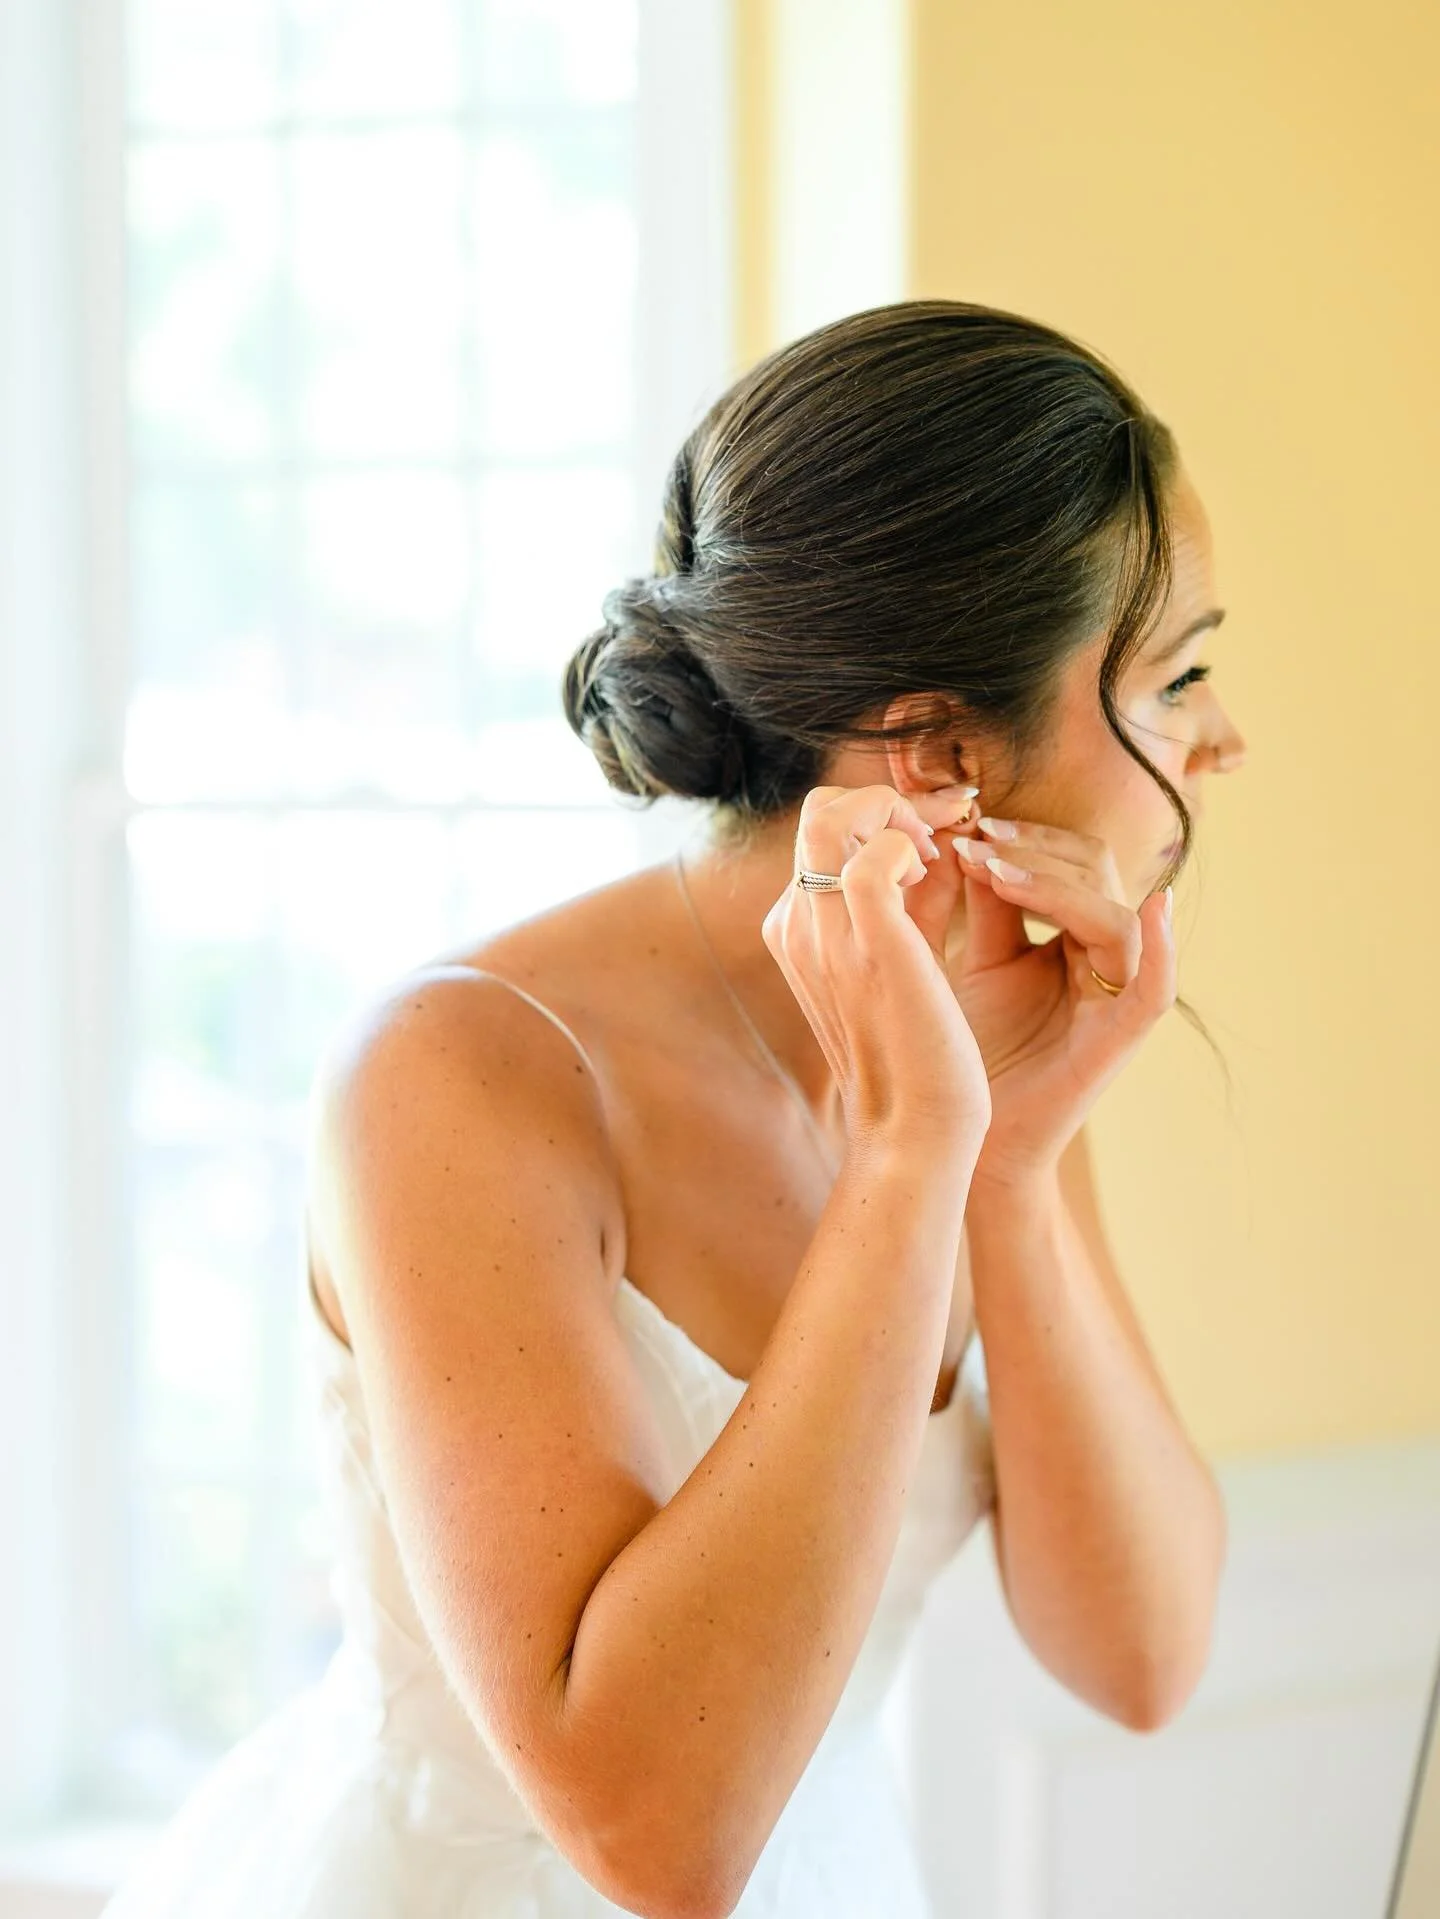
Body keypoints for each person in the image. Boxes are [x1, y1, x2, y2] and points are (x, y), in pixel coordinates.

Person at [101, 299, 1245, 1917]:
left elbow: (1141, 1655)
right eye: (1180, 674)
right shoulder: (456, 1078)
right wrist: (914, 1161)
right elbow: (656, 1837)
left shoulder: (992, 1029)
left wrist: (1016, 1157)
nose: (1223, 740)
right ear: (934, 755)